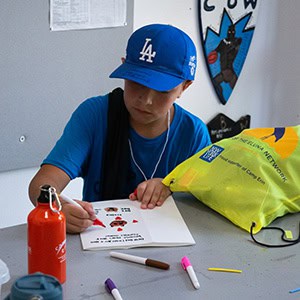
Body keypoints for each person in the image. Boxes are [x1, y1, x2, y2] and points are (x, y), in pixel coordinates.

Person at [28, 24, 211, 233]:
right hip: (99, 240)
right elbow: (41, 185)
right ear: (124, 69)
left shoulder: (193, 133)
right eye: (137, 83)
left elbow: (205, 203)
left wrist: (171, 187)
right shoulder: (95, 115)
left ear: (184, 87)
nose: (146, 100)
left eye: (162, 91)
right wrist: (57, 207)